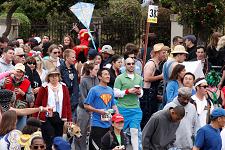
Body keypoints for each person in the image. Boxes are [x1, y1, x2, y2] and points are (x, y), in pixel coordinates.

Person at [33, 69, 72, 150]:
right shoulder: (44, 87)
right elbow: (37, 104)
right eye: (52, 76)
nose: (54, 78)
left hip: (60, 117)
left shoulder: (64, 87)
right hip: (47, 117)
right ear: (48, 77)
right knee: (49, 139)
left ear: (59, 77)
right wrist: (35, 119)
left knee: (58, 140)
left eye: (56, 76)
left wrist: (69, 119)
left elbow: (67, 104)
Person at [84, 68, 118, 149]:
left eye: (108, 74)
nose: (108, 76)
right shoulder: (94, 90)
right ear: (99, 77)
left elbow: (113, 105)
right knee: (96, 147)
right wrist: (98, 111)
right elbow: (86, 105)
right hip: (97, 124)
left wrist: (118, 116)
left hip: (108, 124)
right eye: (105, 74)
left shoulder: (110, 89)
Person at [114, 57, 143, 150]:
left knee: (134, 131)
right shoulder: (119, 78)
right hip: (123, 108)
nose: (131, 65)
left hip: (135, 108)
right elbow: (115, 93)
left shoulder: (139, 78)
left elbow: (141, 93)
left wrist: (139, 93)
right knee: (120, 131)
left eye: (133, 63)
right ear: (125, 65)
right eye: (128, 64)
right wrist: (127, 91)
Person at [75, 62, 99, 150]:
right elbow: (83, 96)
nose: (97, 71)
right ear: (90, 70)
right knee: (81, 132)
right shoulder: (84, 80)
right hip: (83, 109)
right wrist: (88, 106)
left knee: (92, 131)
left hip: (94, 109)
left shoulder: (96, 79)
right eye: (96, 69)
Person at [141, 43, 166, 127]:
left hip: (152, 93)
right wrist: (161, 76)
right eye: (163, 52)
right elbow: (147, 78)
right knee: (147, 117)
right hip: (148, 94)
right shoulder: (151, 64)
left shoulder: (157, 64)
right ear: (157, 53)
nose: (165, 54)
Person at [3, 63, 34, 130]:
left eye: (21, 72)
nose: (19, 74)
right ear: (14, 71)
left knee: (19, 132)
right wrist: (3, 85)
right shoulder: (7, 80)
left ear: (23, 73)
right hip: (7, 112)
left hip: (21, 112)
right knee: (6, 132)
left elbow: (31, 99)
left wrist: (23, 93)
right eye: (17, 71)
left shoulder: (27, 82)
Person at [59, 49, 79, 121]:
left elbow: (76, 84)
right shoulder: (60, 69)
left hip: (74, 98)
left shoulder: (74, 69)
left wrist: (76, 97)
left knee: (72, 120)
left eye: (75, 57)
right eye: (73, 57)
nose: (75, 59)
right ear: (67, 58)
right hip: (64, 98)